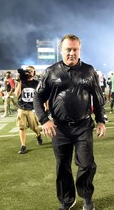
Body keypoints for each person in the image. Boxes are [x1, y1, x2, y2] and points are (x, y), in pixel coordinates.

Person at [33, 34, 106, 210]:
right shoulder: (51, 72)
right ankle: (67, 200)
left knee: (86, 164)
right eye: (68, 49)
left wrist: (101, 120)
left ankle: (86, 197)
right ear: (61, 50)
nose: (72, 53)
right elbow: (37, 96)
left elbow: (98, 98)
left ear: (79, 49)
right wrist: (44, 120)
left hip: (83, 127)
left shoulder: (89, 71)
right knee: (62, 167)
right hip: (59, 128)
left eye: (75, 49)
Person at [15, 66, 43, 154]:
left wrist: (45, 106)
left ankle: (38, 135)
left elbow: (41, 96)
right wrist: (20, 81)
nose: (29, 73)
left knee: (34, 127)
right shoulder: (22, 82)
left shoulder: (37, 83)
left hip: (32, 108)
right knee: (22, 127)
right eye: (28, 71)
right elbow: (17, 94)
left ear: (34, 73)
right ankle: (23, 145)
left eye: (31, 71)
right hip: (22, 108)